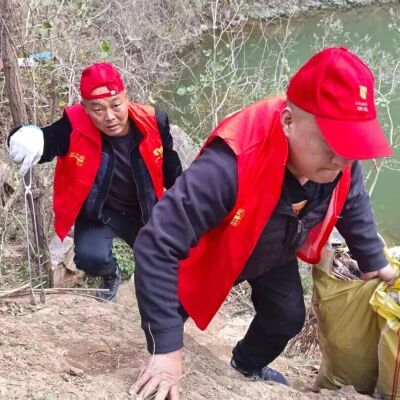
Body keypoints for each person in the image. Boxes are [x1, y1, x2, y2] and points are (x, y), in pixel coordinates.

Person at [129, 47, 396, 400]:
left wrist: (373, 258)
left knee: (286, 316)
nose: (341, 159)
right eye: (332, 142)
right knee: (173, 316)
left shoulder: (340, 160)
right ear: (288, 121)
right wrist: (165, 349)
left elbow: (353, 197)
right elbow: (156, 242)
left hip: (274, 243)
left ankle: (245, 365)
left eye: (351, 145)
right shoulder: (230, 163)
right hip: (218, 247)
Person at [8, 62, 182, 301]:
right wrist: (26, 138)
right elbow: (49, 140)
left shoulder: (154, 121)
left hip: (145, 210)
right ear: (85, 108)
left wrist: (189, 197)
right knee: (90, 258)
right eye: (98, 109)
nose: (109, 116)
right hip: (100, 213)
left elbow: (170, 163)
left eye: (116, 105)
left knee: (165, 263)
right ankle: (111, 274)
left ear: (126, 97)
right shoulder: (74, 124)